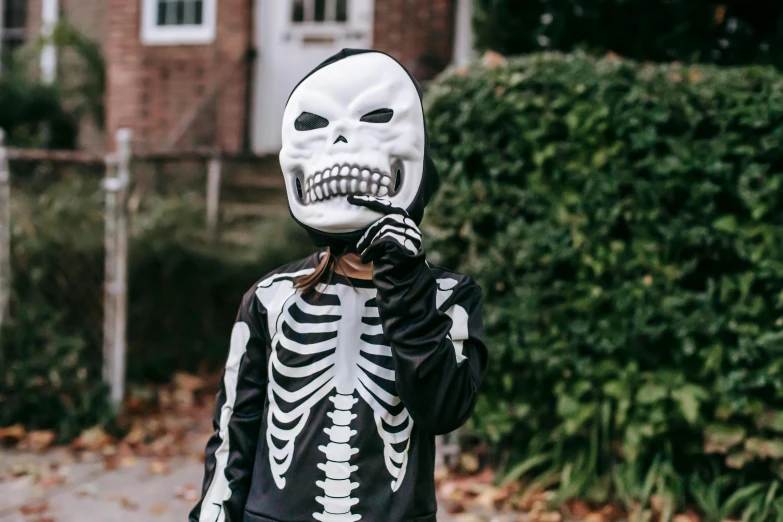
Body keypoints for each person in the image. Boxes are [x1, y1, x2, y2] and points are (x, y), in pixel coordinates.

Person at [189, 49, 488, 522]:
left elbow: (444, 409)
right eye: (317, 125)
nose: (344, 140)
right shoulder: (270, 299)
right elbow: (234, 436)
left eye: (375, 117)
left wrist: (406, 285)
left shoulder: (448, 297)